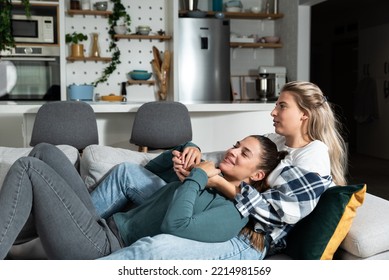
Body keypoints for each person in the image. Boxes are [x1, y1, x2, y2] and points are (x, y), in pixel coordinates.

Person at [98, 80, 347, 260]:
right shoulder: (275, 140)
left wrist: (213, 181)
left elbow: (278, 213)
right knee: (128, 173)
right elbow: (225, 159)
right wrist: (192, 156)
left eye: (282, 106)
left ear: (304, 114)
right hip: (217, 206)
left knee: (155, 250)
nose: (273, 111)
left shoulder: (313, 155)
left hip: (248, 236)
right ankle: (83, 233)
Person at [0, 135, 284, 260]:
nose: (232, 151)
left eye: (244, 153)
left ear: (257, 175)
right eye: (236, 145)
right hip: (101, 224)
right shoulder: (204, 182)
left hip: (102, 247)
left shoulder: (232, 215)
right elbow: (150, 169)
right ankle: (14, 242)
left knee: (28, 167)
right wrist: (187, 148)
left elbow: (176, 225)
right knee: (45, 151)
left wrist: (197, 178)